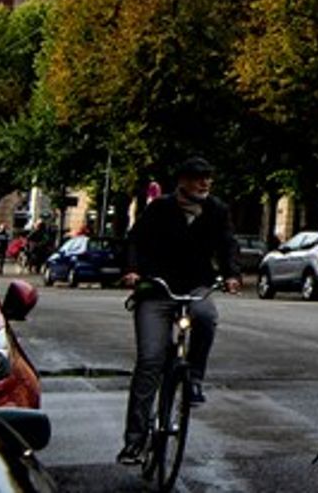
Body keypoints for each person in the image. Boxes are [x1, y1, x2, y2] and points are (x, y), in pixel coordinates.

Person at [118, 156, 240, 465]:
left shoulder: (217, 210)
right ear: (182, 181)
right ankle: (134, 441)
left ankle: (194, 377)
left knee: (206, 316)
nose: (205, 183)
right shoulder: (160, 208)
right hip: (157, 288)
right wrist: (132, 269)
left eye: (208, 178)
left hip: (195, 285)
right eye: (198, 178)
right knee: (150, 360)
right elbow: (135, 240)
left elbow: (228, 245)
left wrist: (232, 274)